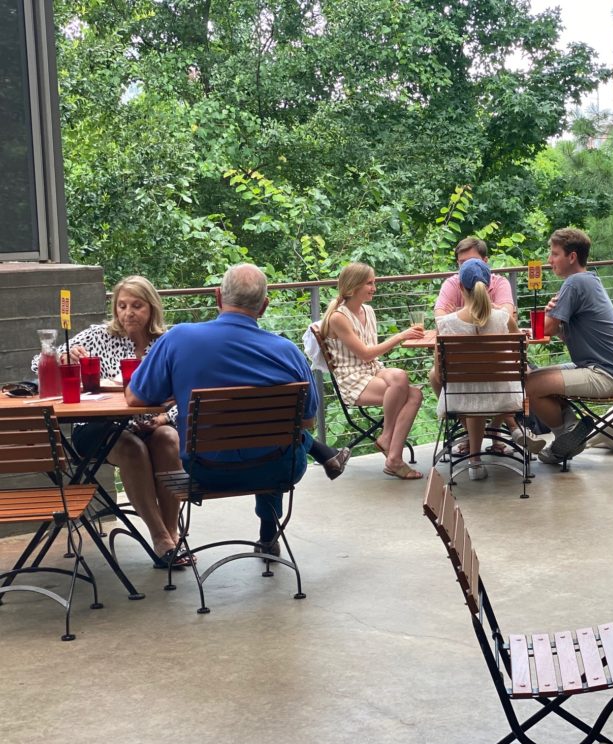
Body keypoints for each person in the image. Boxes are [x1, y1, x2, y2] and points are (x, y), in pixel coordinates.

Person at [126, 264, 321, 556]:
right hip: (275, 470)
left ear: (218, 296)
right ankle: (269, 531)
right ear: (264, 306)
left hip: (206, 472)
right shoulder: (288, 352)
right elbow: (307, 422)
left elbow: (134, 398)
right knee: (285, 443)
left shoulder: (179, 339)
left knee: (277, 444)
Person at [31, 275, 184, 565]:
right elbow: (38, 363)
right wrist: (64, 357)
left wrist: (165, 417)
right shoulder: (99, 336)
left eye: (136, 305)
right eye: (122, 306)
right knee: (131, 448)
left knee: (169, 438)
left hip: (150, 423)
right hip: (98, 427)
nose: (128, 313)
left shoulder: (166, 343)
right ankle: (160, 539)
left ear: (151, 307)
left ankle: (171, 534)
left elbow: (186, 390)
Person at [525, 227, 613, 465]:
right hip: (604, 368)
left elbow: (546, 330)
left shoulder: (575, 283)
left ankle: (565, 437)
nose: (549, 260)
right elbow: (562, 334)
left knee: (529, 385)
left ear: (571, 257)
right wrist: (554, 317)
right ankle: (570, 432)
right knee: (534, 377)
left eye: (555, 254)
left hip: (606, 374)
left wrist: (549, 315)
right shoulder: (586, 280)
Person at [320, 263, 426, 479]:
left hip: (373, 369)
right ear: (353, 287)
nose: (374, 288)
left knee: (402, 378)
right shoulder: (338, 318)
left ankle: (389, 446)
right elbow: (366, 354)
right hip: (353, 378)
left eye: (374, 282)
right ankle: (392, 454)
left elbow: (371, 359)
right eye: (369, 283)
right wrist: (400, 336)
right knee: (413, 395)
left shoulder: (368, 311)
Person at [431, 237, 528, 455]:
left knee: (452, 379)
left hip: (461, 391)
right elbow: (520, 346)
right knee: (520, 373)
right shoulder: (503, 318)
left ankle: (476, 442)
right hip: (504, 389)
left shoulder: (445, 324)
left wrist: (460, 313)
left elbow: (439, 371)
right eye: (461, 263)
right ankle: (507, 428)